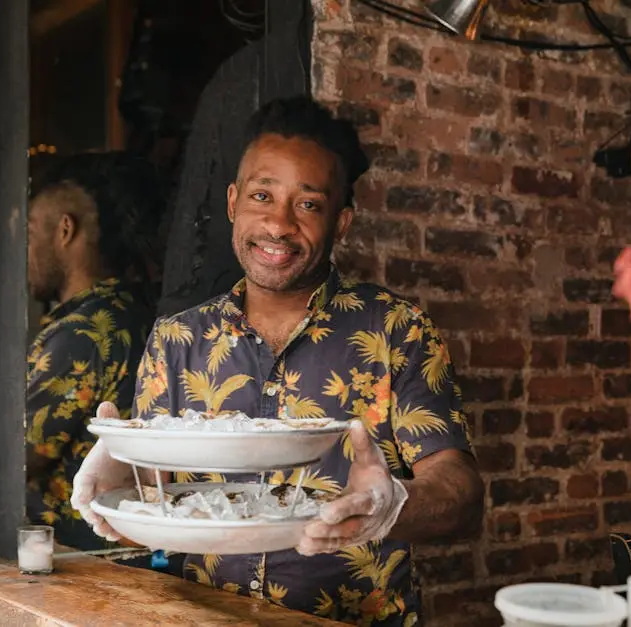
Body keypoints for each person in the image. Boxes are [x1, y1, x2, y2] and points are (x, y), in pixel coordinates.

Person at [72, 98, 484, 626]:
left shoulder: (396, 330)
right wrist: (120, 484)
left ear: (341, 222)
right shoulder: (177, 339)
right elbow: (160, 511)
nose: (278, 224)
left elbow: (462, 496)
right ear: (232, 202)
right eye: (262, 196)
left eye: (308, 205)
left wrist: (395, 504)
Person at [25, 151, 162, 550]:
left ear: (65, 230)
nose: (23, 247)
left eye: (30, 231)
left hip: (79, 555)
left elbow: (16, 458)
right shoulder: (135, 310)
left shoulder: (82, 333)